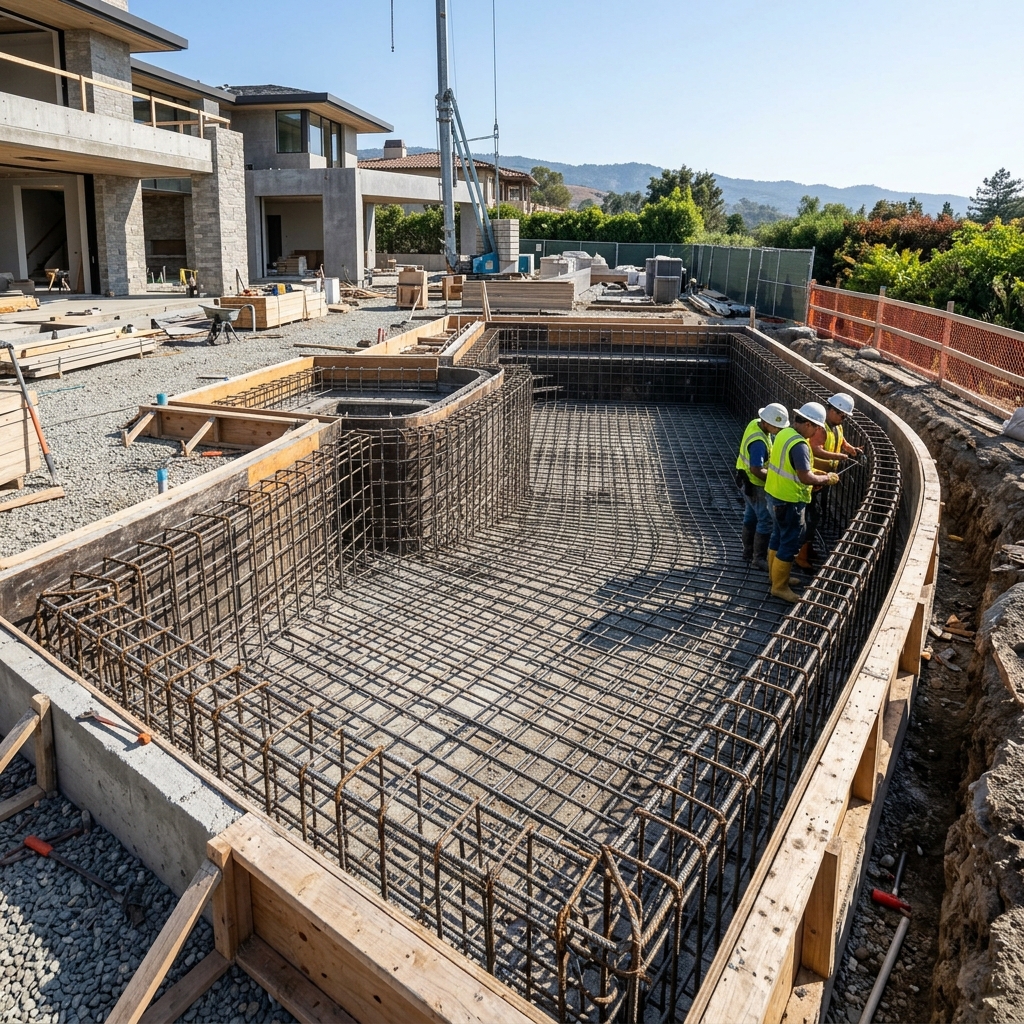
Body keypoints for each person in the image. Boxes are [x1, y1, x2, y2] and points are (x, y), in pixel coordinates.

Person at [764, 402, 840, 603]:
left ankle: (774, 577)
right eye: (816, 427)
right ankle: (779, 587)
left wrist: (814, 473)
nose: (817, 431)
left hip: (774, 495)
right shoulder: (799, 445)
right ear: (808, 424)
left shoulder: (784, 434)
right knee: (789, 542)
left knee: (777, 536)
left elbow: (789, 467)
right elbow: (805, 477)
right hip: (790, 501)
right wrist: (826, 478)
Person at [796, 393, 864, 570]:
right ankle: (801, 554)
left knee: (818, 513)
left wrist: (850, 449)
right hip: (814, 477)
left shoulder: (837, 426)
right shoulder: (820, 427)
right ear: (832, 410)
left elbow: (840, 440)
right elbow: (815, 449)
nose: (843, 418)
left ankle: (807, 548)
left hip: (826, 478)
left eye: (845, 416)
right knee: (813, 515)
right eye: (841, 415)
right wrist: (838, 457)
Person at [735, 403, 789, 570]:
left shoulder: (755, 423)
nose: (778, 430)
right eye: (776, 426)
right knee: (765, 520)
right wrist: (775, 479)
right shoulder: (758, 442)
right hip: (756, 484)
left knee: (750, 516)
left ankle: (747, 552)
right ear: (766, 422)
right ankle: (758, 558)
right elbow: (756, 468)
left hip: (745, 481)